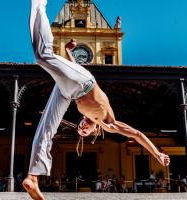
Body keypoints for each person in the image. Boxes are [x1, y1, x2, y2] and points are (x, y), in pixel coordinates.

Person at [23, 1, 170, 199]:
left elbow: (72, 71)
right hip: (85, 83)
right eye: (85, 130)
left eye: (80, 128)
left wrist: (68, 52)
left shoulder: (84, 112)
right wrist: (157, 153)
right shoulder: (108, 123)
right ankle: (39, 4)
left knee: (47, 127)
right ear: (95, 131)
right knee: (42, 55)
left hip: (69, 92)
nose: (82, 126)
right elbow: (137, 135)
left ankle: (33, 176)